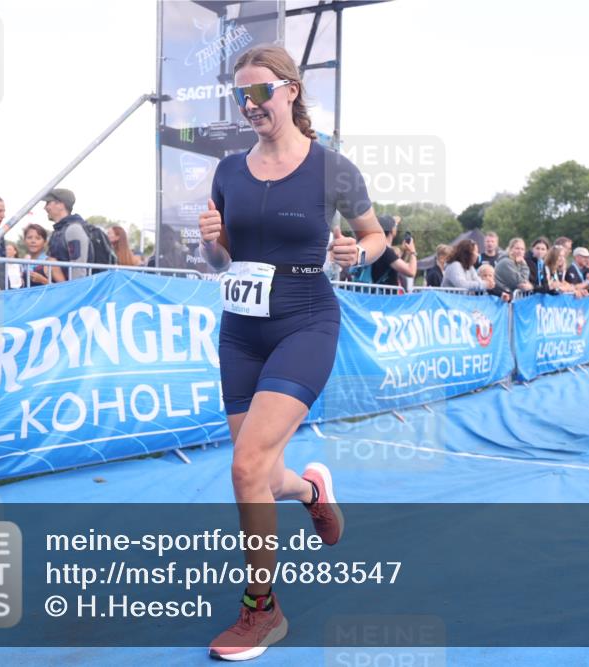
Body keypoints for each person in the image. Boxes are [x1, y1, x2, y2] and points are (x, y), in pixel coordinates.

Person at [198, 44, 387, 661]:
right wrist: (210, 244)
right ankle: (310, 491)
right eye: (240, 95)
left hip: (305, 321)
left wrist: (357, 253)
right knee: (257, 470)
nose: (249, 105)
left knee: (246, 468)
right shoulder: (228, 171)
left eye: (260, 92)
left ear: (292, 90)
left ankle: (263, 610)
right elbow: (221, 260)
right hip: (240, 329)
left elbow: (374, 236)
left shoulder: (333, 168)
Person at [42, 188, 90, 282]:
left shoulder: (74, 229)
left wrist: (72, 290)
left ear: (60, 204)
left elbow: (78, 270)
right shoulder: (59, 231)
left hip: (74, 289)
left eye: (48, 203)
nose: (45, 208)